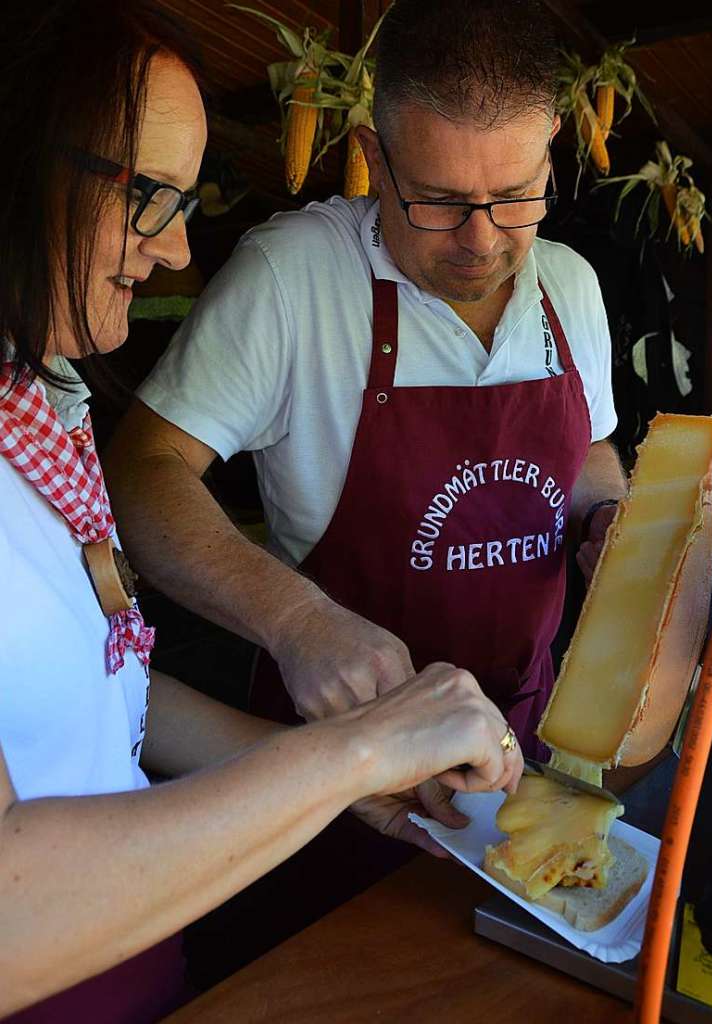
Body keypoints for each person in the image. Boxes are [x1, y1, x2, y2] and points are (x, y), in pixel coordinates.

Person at [0, 4, 525, 1021]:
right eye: (152, 198)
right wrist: (356, 748)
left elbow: (115, 708)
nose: (175, 253)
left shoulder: (36, 414)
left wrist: (336, 782)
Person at [106, 0, 626, 846]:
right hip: (331, 772)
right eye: (440, 200)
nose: (482, 241)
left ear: (551, 148)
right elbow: (142, 469)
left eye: (516, 195)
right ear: (372, 159)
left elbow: (590, 449)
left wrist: (605, 519)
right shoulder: (294, 276)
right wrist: (297, 620)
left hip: (525, 752)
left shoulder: (570, 285)